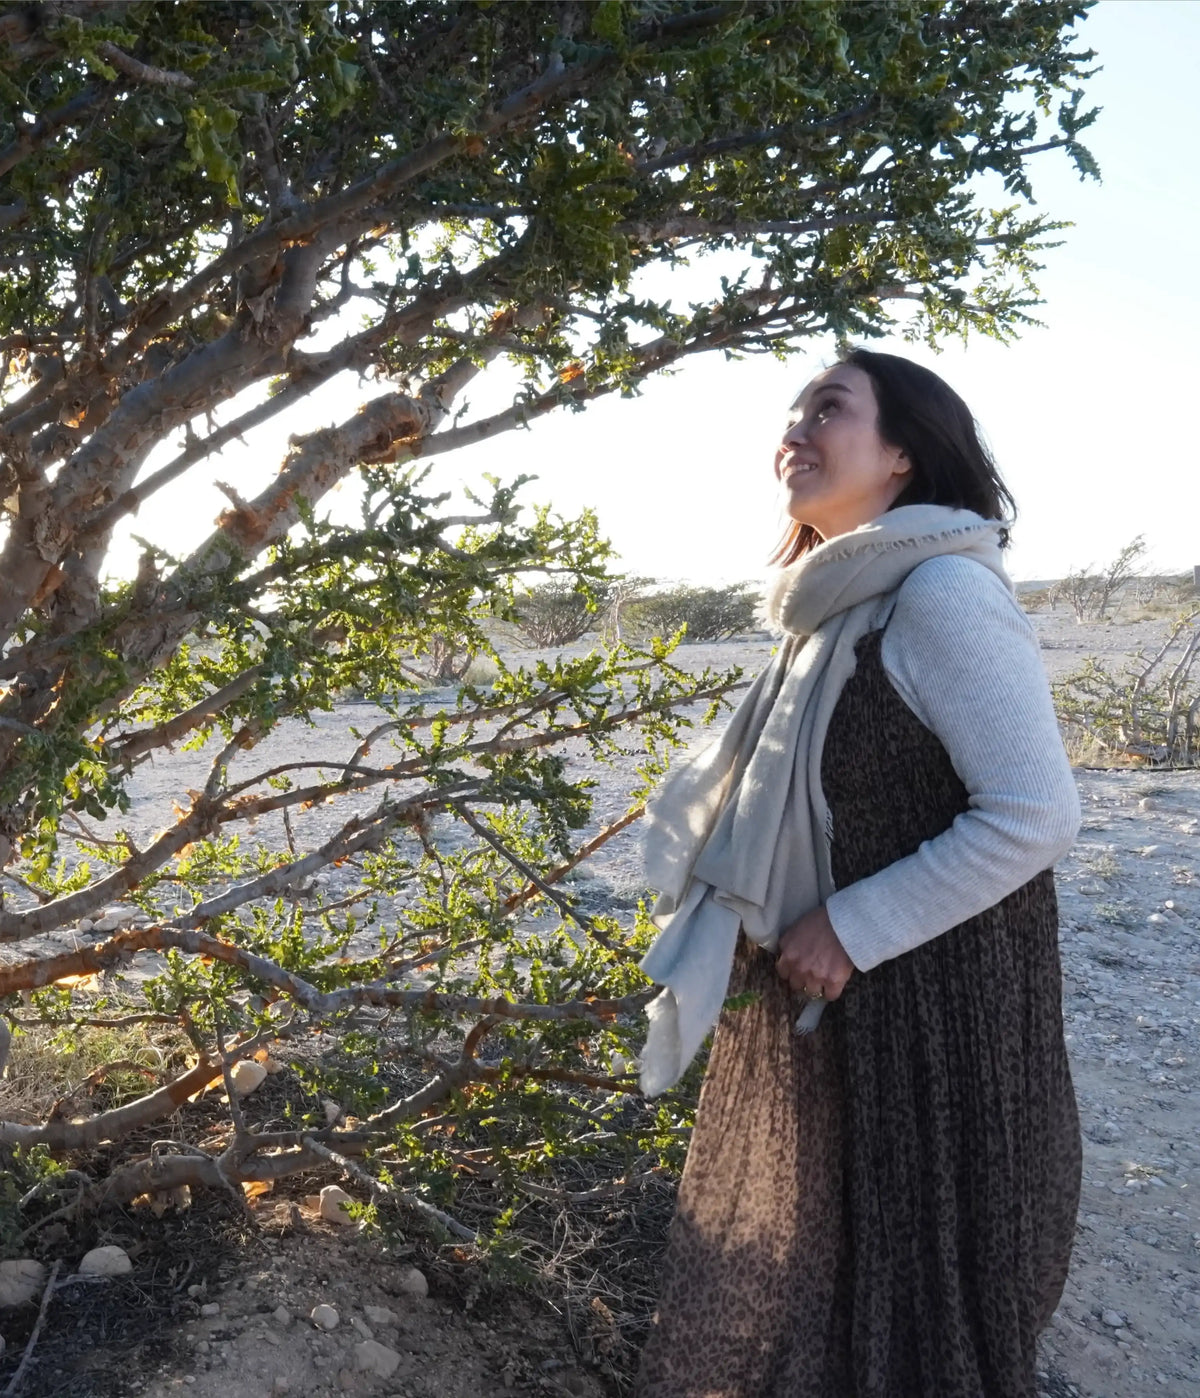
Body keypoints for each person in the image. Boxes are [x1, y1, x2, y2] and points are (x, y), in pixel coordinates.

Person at [634, 348, 1083, 1398]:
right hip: (851, 992)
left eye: (828, 409)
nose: (795, 428)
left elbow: (1036, 813)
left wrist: (851, 925)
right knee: (841, 1258)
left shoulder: (939, 595)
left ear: (900, 457)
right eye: (792, 410)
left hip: (943, 996)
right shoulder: (831, 606)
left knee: (924, 1271)